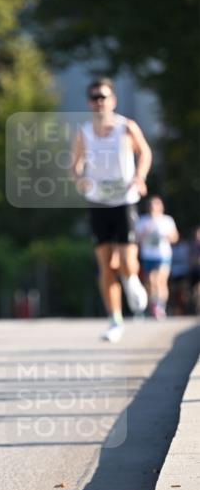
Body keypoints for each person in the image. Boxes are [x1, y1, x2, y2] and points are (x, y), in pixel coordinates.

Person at [71, 78, 151, 343]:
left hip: (125, 200)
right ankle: (115, 319)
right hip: (97, 202)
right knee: (105, 264)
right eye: (94, 97)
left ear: (112, 100)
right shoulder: (84, 132)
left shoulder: (126, 127)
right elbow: (75, 166)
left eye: (103, 97)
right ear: (89, 102)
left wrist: (139, 176)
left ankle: (131, 280)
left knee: (127, 261)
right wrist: (80, 178)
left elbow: (145, 153)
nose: (99, 101)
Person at [135, 197, 179, 318]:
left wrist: (166, 236)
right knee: (150, 282)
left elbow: (175, 238)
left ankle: (161, 306)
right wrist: (144, 233)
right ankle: (153, 305)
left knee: (160, 280)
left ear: (161, 207)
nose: (153, 207)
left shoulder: (167, 220)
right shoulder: (142, 221)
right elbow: (136, 240)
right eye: (151, 205)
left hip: (163, 255)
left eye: (156, 205)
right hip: (148, 255)